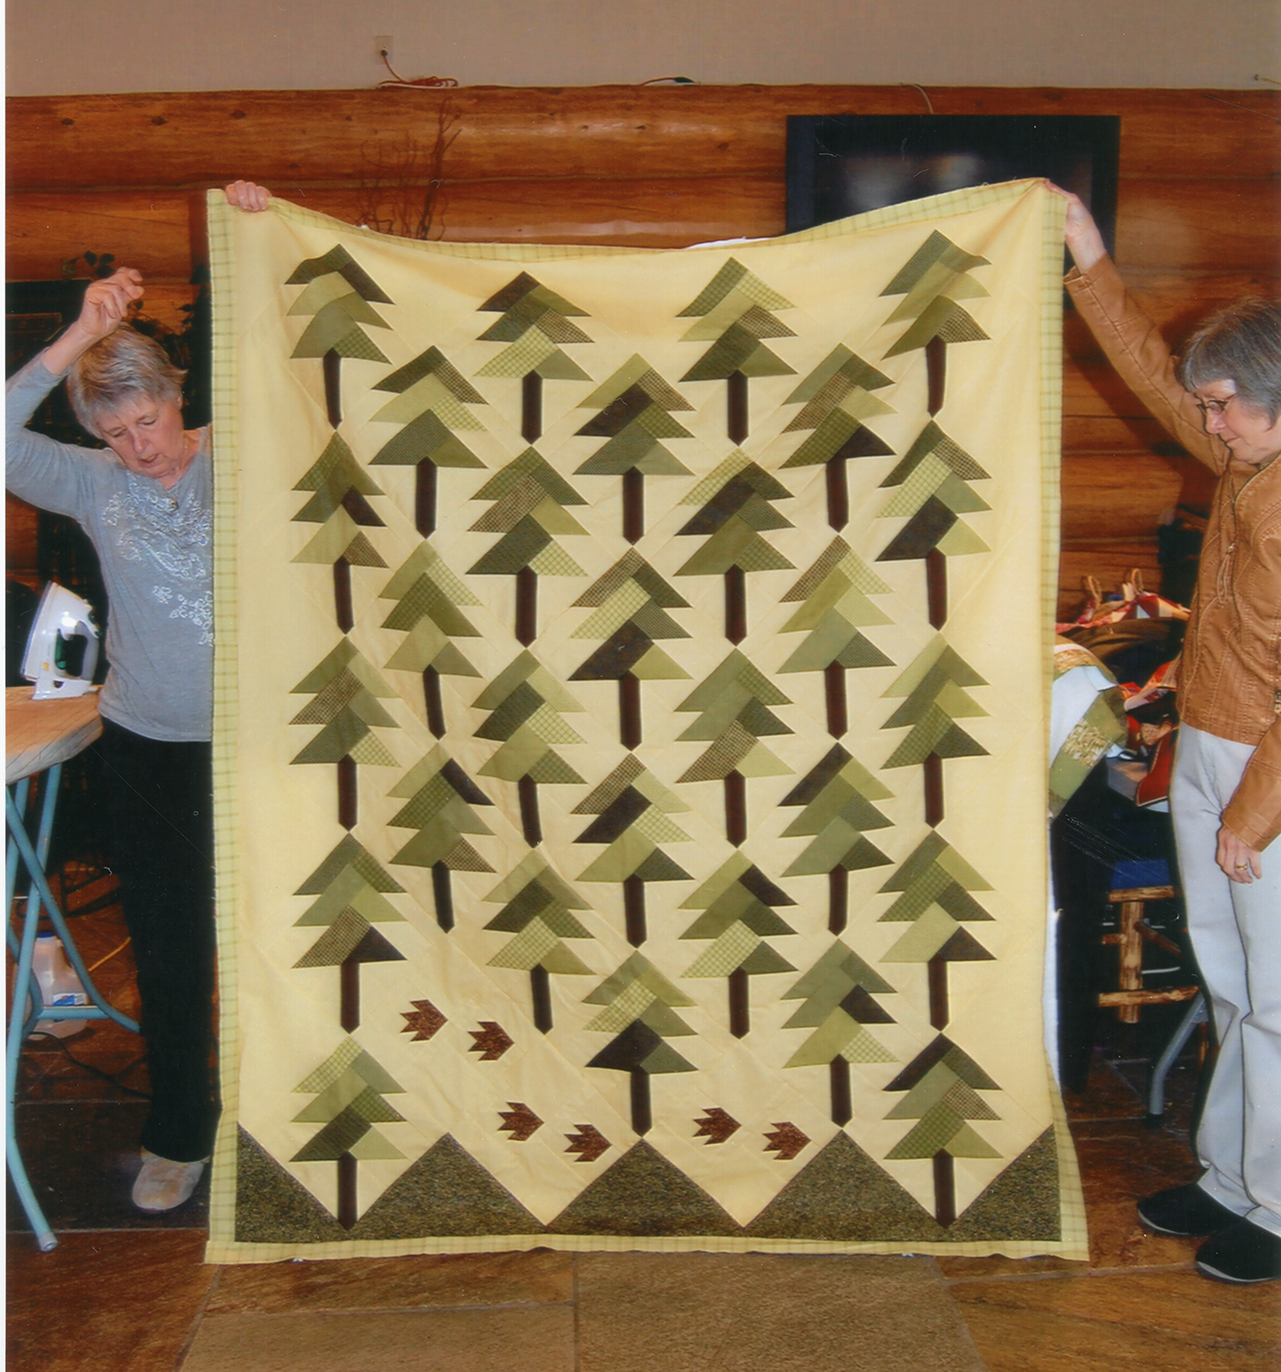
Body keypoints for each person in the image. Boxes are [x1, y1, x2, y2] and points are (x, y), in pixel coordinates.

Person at [5, 180, 271, 1212]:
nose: (139, 447)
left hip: (257, 741)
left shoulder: (245, 452)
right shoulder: (94, 482)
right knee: (166, 949)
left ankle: (281, 1114)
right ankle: (179, 1134)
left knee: (276, 936)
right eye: (115, 433)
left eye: (149, 421)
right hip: (148, 747)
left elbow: (311, 372)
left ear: (175, 398)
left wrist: (259, 237)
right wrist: (79, 336)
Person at [1050, 183, 1281, 1285]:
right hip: (1214, 746)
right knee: (1231, 984)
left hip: (1266, 772)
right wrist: (1087, 253)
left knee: (1278, 998)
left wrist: (1254, 810)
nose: (1208, 421)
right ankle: (1234, 1178)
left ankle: (1277, 1204)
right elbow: (1153, 375)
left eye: (1224, 405)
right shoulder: (1247, 459)